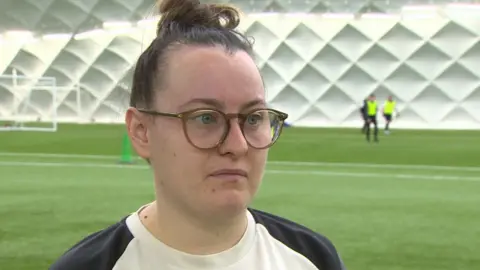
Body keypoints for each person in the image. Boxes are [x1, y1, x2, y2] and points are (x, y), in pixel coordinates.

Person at [49, 1, 347, 270]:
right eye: (205, 118)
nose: (238, 145)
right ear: (141, 132)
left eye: (253, 118)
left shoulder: (312, 258)